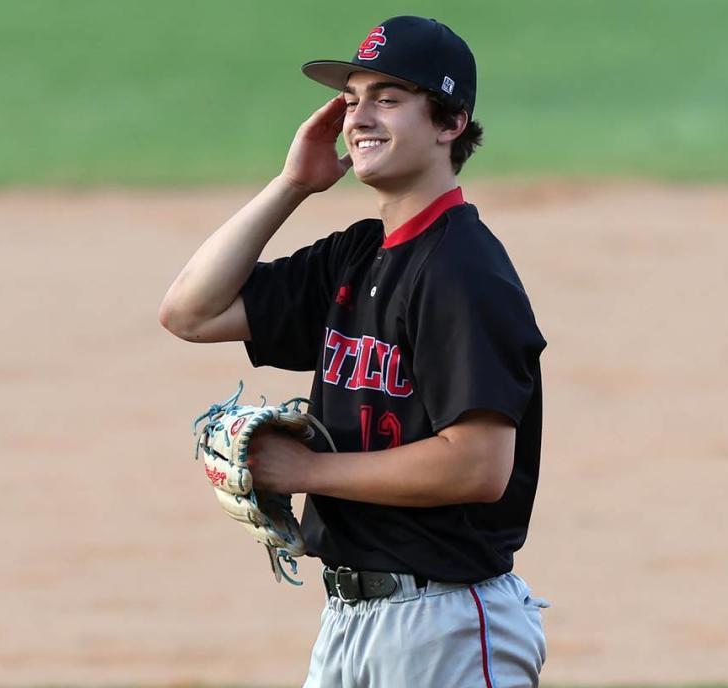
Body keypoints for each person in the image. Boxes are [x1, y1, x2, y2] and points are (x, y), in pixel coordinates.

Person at [160, 15, 548, 687]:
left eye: (388, 98)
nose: (360, 116)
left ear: (450, 123)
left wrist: (304, 472)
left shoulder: (462, 271)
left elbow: (478, 467)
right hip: (349, 621)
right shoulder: (355, 254)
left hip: (445, 624)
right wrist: (293, 185)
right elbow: (190, 313)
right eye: (351, 99)